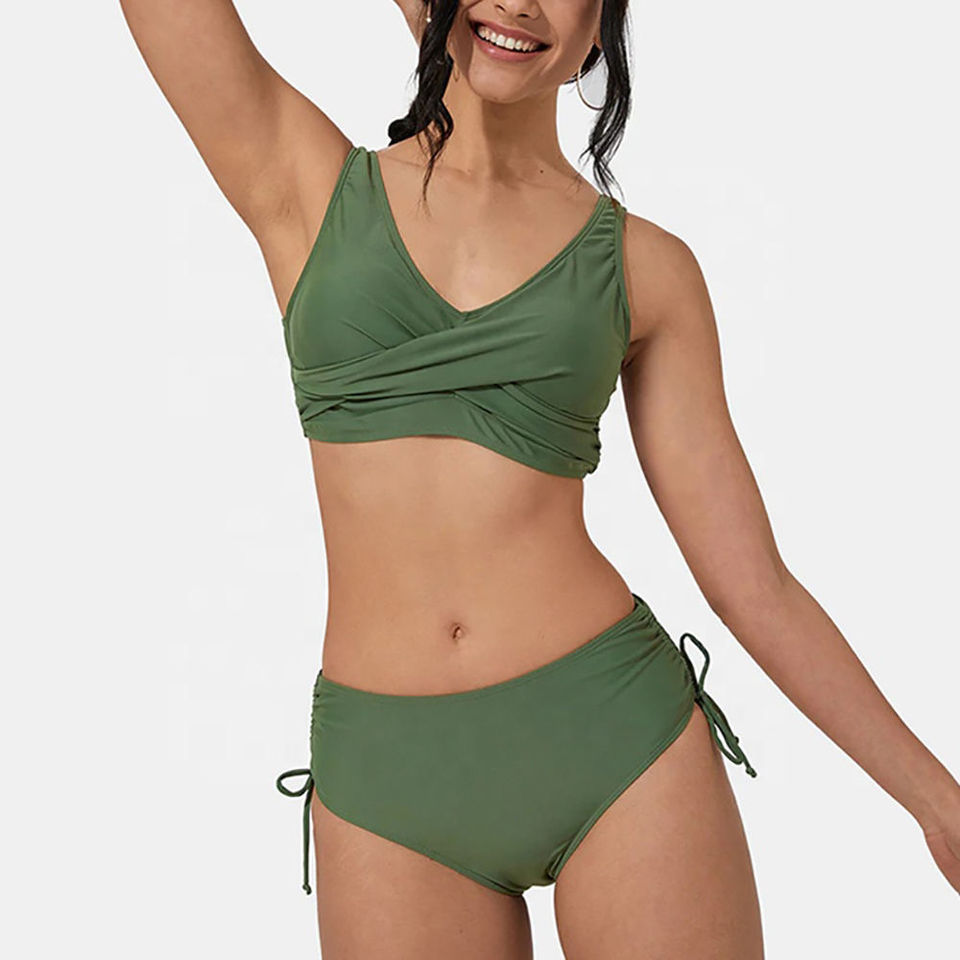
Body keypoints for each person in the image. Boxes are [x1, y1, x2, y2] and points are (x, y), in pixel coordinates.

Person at [119, 1, 960, 956]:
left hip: (616, 743)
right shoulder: (303, 183)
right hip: (389, 779)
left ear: (601, 27)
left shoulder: (648, 269)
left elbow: (753, 582)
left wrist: (935, 799)